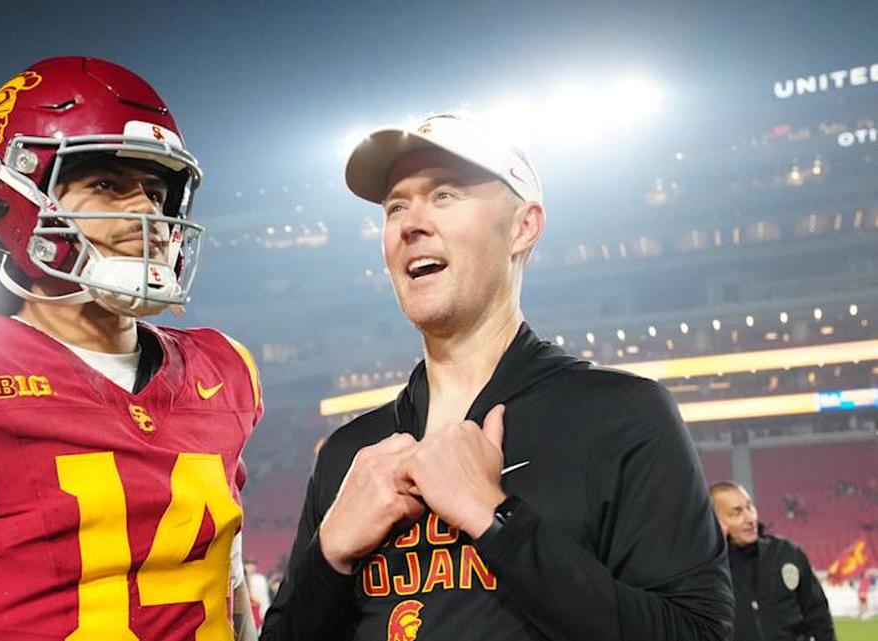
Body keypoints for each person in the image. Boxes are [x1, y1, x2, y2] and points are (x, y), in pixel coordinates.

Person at [0, 56, 263, 641]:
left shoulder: (218, 373)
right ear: (13, 193)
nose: (146, 214)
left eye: (156, 190)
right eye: (106, 184)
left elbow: (231, 613)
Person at [261, 114, 733, 641]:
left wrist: (497, 520)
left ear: (523, 226)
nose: (409, 223)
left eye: (444, 196)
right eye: (396, 206)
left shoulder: (620, 414)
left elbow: (697, 633)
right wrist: (329, 553)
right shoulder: (351, 452)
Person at [709, 481, 836, 641]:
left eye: (750, 507)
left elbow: (818, 616)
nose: (750, 518)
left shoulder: (786, 553)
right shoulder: (706, 570)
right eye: (737, 513)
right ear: (714, 520)